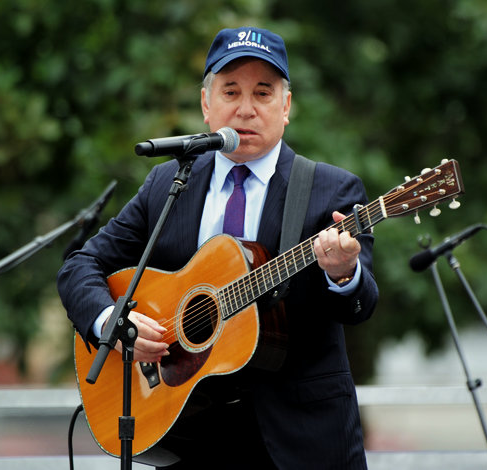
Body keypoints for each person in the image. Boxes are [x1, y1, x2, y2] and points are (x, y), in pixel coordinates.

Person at [58, 26, 379, 469]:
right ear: (207, 106)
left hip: (302, 441)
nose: (245, 109)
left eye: (263, 93)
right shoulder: (168, 184)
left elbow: (359, 307)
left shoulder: (331, 189)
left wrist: (343, 273)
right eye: (231, 91)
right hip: (190, 436)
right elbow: (83, 263)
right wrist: (109, 319)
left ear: (285, 107)